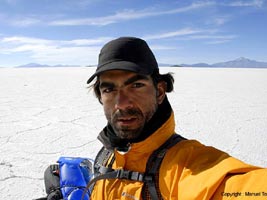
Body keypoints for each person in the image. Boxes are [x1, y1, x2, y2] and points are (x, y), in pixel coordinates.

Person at [39, 37, 267, 200]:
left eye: (136, 85)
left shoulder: (189, 167)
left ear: (159, 91)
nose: (121, 104)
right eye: (108, 90)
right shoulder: (109, 157)